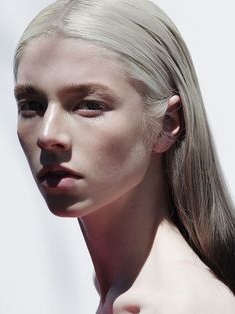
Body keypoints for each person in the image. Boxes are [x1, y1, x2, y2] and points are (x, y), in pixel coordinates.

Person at [14, 0, 235, 313]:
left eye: (89, 105)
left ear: (167, 123)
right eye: (31, 105)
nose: (47, 134)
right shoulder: (120, 290)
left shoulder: (180, 304)